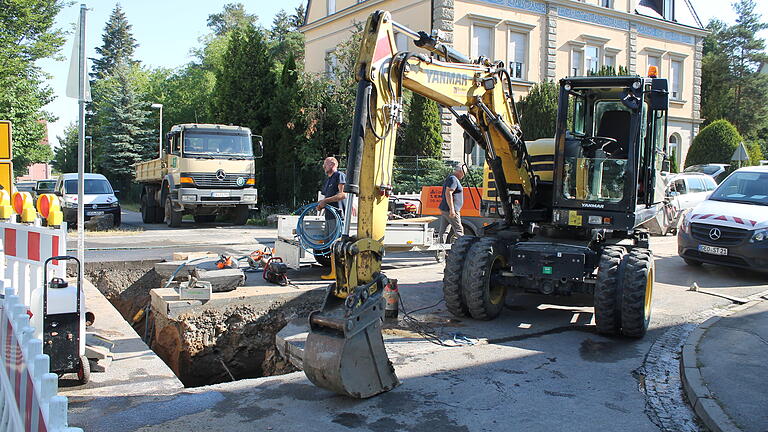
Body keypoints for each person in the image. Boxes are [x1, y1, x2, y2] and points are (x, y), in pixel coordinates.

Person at [317, 157, 346, 279]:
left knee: (336, 244)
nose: (324, 166)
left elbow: (342, 195)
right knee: (330, 244)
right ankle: (334, 272)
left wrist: (325, 201)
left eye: (325, 164)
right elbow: (325, 198)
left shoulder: (339, 175)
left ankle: (339, 274)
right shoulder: (328, 180)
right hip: (329, 217)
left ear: (333, 164)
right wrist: (321, 205)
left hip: (337, 216)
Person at [438, 166, 465, 243]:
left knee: (444, 231)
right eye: (464, 173)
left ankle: (441, 250)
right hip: (450, 209)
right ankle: (462, 249)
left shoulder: (451, 178)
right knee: (459, 230)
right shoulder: (453, 179)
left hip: (445, 208)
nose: (464, 176)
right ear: (460, 171)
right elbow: (448, 192)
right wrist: (452, 209)